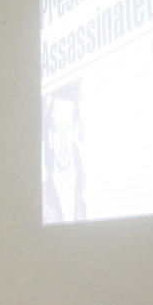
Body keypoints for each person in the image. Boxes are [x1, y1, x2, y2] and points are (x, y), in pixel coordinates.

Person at [42, 89, 86, 223]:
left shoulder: (88, 191)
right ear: (50, 137)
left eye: (68, 127)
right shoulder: (41, 195)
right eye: (57, 129)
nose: (63, 142)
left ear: (76, 131)